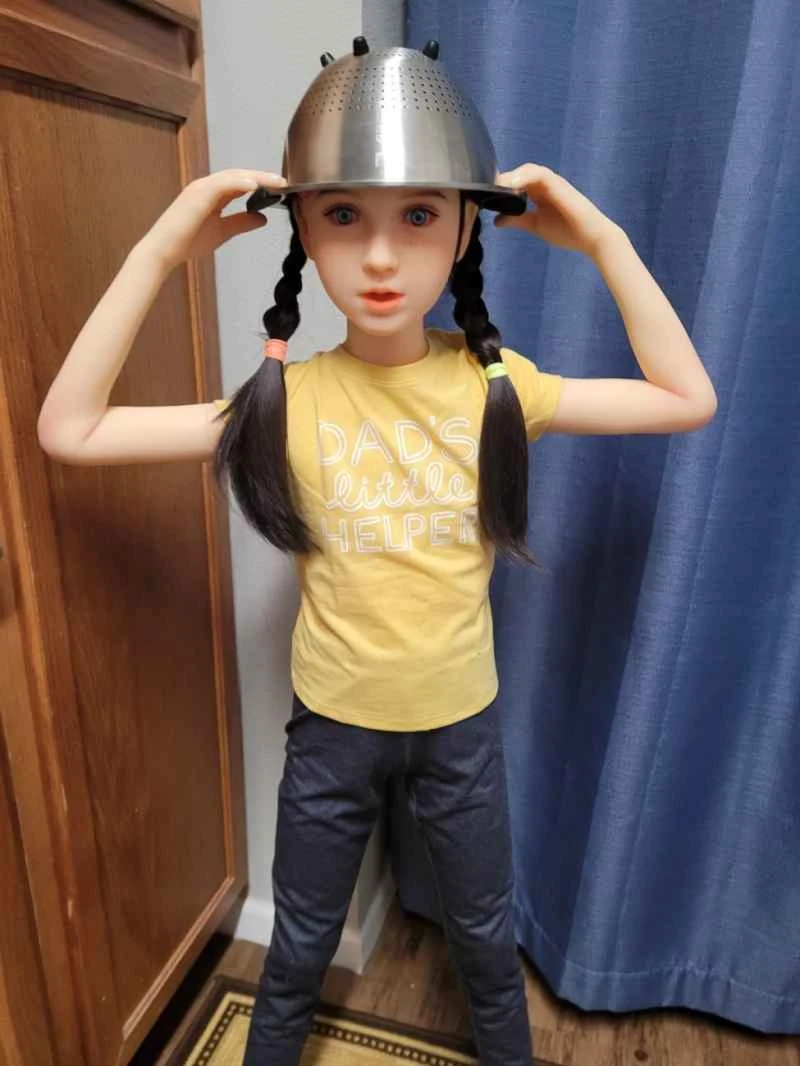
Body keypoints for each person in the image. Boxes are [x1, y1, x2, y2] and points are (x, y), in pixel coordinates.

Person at [37, 45, 717, 1066]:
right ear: (304, 232)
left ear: (465, 228)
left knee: (485, 947)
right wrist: (160, 250)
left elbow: (685, 398)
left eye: (420, 216)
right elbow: (70, 430)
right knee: (298, 951)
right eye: (345, 216)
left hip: (460, 729)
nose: (383, 259)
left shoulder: (497, 388)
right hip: (332, 731)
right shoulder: (285, 403)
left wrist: (604, 243)